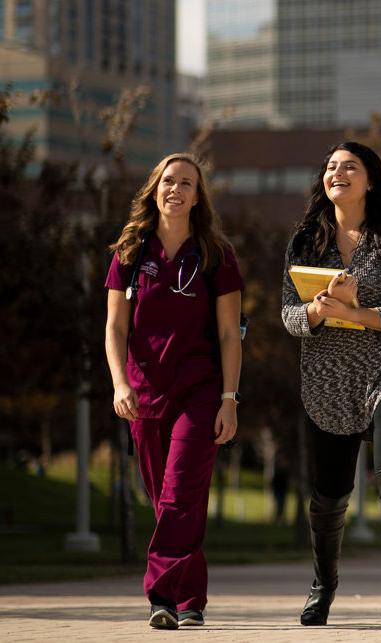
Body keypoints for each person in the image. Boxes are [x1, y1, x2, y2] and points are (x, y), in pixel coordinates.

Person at [281, 141, 381, 630]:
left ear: (371, 180)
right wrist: (316, 312)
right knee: (329, 492)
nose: (337, 172)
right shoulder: (305, 241)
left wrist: (354, 313)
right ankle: (322, 588)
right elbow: (287, 314)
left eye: (350, 166)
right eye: (330, 167)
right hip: (327, 378)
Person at [104, 153, 243, 630]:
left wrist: (229, 398)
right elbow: (114, 327)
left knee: (181, 494)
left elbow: (229, 334)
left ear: (198, 196)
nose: (176, 189)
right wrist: (120, 382)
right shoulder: (129, 251)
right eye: (168, 180)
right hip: (144, 395)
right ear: (155, 188)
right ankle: (191, 601)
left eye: (187, 183)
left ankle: (160, 595)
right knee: (169, 501)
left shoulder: (216, 255)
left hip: (199, 394)